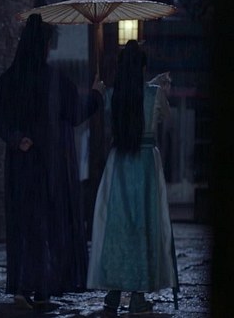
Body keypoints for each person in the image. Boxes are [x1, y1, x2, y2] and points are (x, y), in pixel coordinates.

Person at [0, 13, 105, 309]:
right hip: (49, 166)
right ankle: (40, 286)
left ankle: (24, 285)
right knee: (46, 225)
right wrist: (96, 95)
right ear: (43, 45)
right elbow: (76, 112)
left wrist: (16, 138)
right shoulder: (55, 81)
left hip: (20, 166)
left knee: (24, 224)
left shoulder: (9, 80)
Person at [87, 40, 179, 315]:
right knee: (144, 226)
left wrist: (98, 89)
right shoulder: (154, 94)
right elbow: (167, 118)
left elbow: (119, 102)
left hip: (119, 163)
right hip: (146, 165)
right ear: (142, 68)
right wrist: (160, 88)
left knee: (118, 228)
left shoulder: (113, 95)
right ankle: (138, 294)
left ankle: (113, 294)